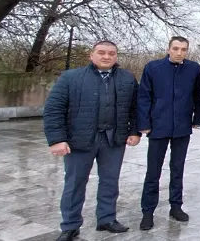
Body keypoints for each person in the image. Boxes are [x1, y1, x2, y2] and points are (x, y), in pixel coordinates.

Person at [43, 40, 141, 241]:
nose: (106, 56)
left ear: (116, 56)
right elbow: (54, 109)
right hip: (80, 140)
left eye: (111, 53)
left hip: (113, 139)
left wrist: (135, 131)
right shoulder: (71, 77)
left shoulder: (127, 78)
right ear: (92, 55)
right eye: (102, 52)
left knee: (110, 181)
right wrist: (57, 139)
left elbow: (135, 108)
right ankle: (70, 225)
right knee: (75, 183)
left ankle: (106, 218)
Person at [137, 36, 200, 230]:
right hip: (158, 126)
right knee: (153, 171)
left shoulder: (193, 69)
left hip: (182, 126)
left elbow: (197, 95)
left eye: (183, 49)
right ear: (168, 49)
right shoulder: (153, 68)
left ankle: (176, 206)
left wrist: (198, 118)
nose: (179, 53)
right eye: (176, 48)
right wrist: (144, 123)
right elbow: (144, 97)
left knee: (178, 168)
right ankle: (148, 211)